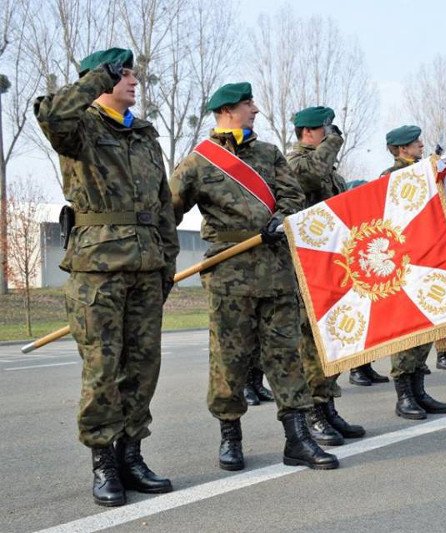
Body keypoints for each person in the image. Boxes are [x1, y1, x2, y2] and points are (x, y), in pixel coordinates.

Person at [34, 47, 180, 506]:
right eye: (125, 74)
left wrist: (167, 265)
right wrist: (97, 79)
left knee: (142, 368)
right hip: (97, 271)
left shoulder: (145, 135)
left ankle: (131, 456)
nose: (135, 80)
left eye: (134, 73)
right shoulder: (79, 129)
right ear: (101, 79)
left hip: (146, 267)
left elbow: (162, 208)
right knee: (103, 368)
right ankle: (103, 462)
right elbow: (50, 113)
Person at [169, 82, 337, 471]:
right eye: (249, 104)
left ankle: (297, 439)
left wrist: (283, 217)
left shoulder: (269, 153)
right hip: (229, 273)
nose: (256, 110)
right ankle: (230, 436)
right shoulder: (199, 161)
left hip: (276, 270)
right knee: (229, 359)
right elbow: (169, 210)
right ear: (228, 110)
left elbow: (293, 196)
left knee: (286, 356)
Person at [287, 105, 365, 444]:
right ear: (308, 133)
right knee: (311, 345)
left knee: (334, 340)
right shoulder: (295, 163)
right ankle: (312, 412)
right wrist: (332, 144)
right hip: (308, 269)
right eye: (325, 130)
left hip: (335, 267)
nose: (331, 136)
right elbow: (309, 176)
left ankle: (328, 404)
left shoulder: (331, 172)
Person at [382, 125, 446, 419]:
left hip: (426, 260)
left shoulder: (424, 171)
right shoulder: (391, 177)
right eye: (415, 143)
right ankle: (404, 396)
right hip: (404, 264)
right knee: (406, 333)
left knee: (426, 328)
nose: (421, 145)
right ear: (401, 149)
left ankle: (418, 389)